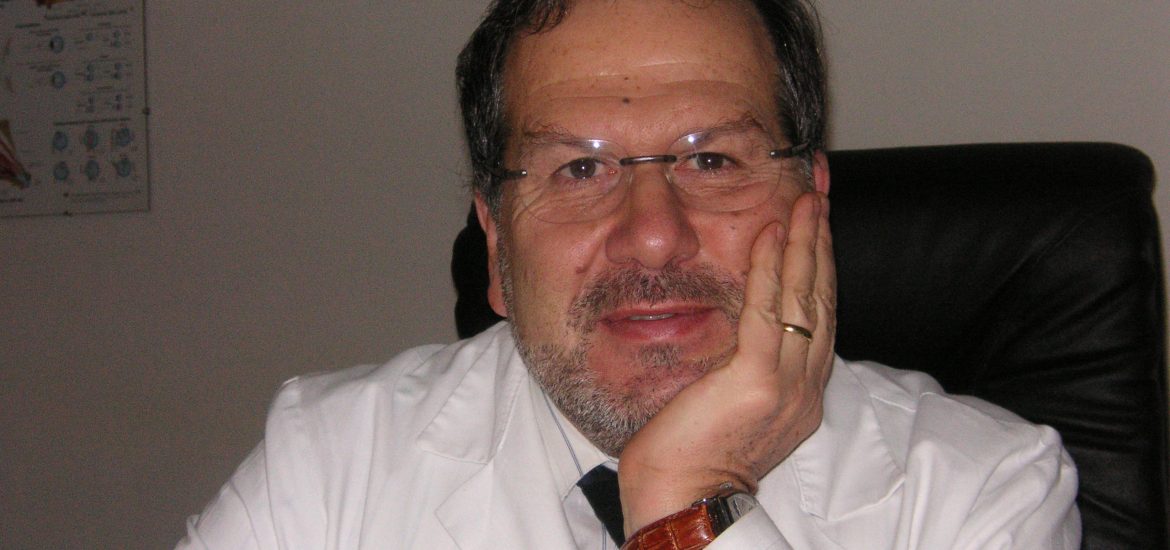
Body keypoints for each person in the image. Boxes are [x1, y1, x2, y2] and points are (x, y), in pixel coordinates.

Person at [177, 1, 1080, 548]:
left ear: (814, 201)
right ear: (494, 247)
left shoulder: (979, 495)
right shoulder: (327, 466)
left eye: (713, 160)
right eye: (579, 169)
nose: (652, 237)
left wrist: (689, 506)